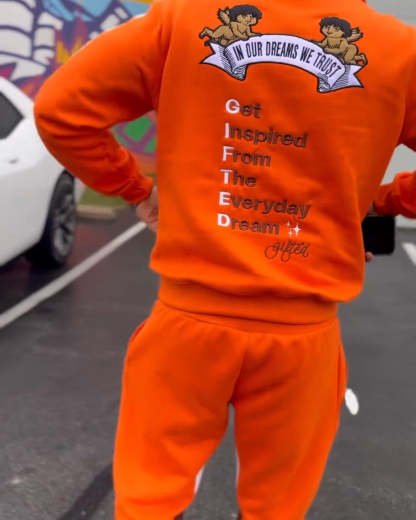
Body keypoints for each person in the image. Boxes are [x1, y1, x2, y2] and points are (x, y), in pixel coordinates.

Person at [34, 0, 416, 518]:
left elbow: (61, 109)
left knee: (149, 500)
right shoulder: (399, 51)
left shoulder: (183, 20)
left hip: (185, 328)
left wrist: (135, 189)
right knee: (276, 507)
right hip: (302, 340)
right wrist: (383, 201)